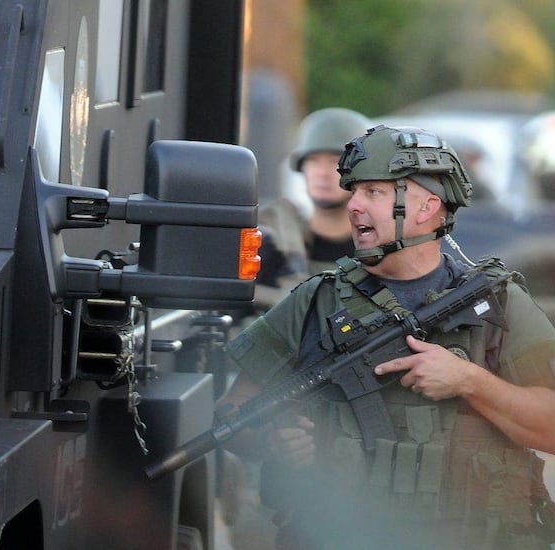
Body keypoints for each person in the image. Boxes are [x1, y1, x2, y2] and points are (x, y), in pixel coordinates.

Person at [219, 124, 555, 549]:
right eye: (354, 191)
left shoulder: (499, 304)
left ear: (427, 207)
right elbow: (230, 415)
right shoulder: (314, 302)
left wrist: (469, 380)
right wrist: (273, 438)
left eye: (374, 192)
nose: (353, 205)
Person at [254, 108, 371, 309]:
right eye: (314, 161)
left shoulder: (380, 249)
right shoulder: (273, 244)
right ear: (302, 167)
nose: (322, 173)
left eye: (335, 161)